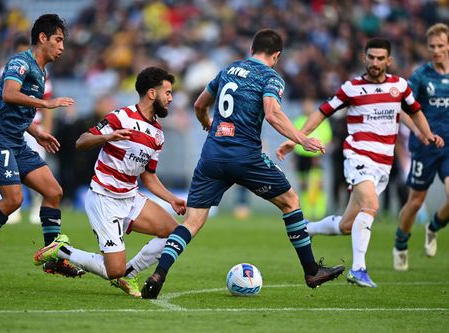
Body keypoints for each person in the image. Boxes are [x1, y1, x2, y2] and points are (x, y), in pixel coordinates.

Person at [141, 29, 345, 299]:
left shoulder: (228, 70)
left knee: (191, 222)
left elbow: (200, 104)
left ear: (252, 50)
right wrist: (301, 138)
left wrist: (208, 125)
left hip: (212, 155)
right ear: (277, 56)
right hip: (245, 156)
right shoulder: (270, 76)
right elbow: (272, 114)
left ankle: (160, 273)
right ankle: (311, 270)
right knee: (291, 201)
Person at [278, 38, 444, 288]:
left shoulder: (399, 87)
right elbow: (324, 111)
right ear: (364, 58)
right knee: (371, 206)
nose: (375, 62)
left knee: (347, 225)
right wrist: (298, 139)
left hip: (383, 163)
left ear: (389, 60)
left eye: (380, 58)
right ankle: (358, 269)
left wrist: (426, 134)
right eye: (371, 57)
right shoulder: (352, 88)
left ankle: (306, 229)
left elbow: (413, 111)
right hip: (358, 156)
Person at [33, 67, 186, 297]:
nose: (171, 98)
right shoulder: (121, 116)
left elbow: (148, 176)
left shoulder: (157, 133)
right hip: (104, 198)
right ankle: (61, 250)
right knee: (113, 270)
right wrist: (107, 136)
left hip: (130, 197)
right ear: (152, 93)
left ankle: (130, 273)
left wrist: (171, 199)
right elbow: (81, 141)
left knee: (174, 233)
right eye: (167, 92)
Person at [0, 14, 83, 284]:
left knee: (53, 191)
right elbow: (9, 94)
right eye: (58, 40)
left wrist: (37, 131)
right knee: (13, 199)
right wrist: (46, 104)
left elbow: (18, 111)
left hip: (17, 140)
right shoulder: (20, 62)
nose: (62, 47)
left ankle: (52, 258)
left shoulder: (41, 70)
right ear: (42, 38)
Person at [393, 23, 449, 271]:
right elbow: (401, 107)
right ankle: (401, 243)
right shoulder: (420, 76)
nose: (436, 50)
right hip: (425, 147)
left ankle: (434, 226)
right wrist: (417, 130)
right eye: (432, 46)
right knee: (415, 202)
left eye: (440, 45)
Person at [0, 34, 55, 225]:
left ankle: (37, 206)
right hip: (9, 126)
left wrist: (46, 130)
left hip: (33, 128)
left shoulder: (40, 72)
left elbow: (48, 106)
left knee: (36, 167)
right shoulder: (5, 71)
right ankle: (13, 207)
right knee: (9, 167)